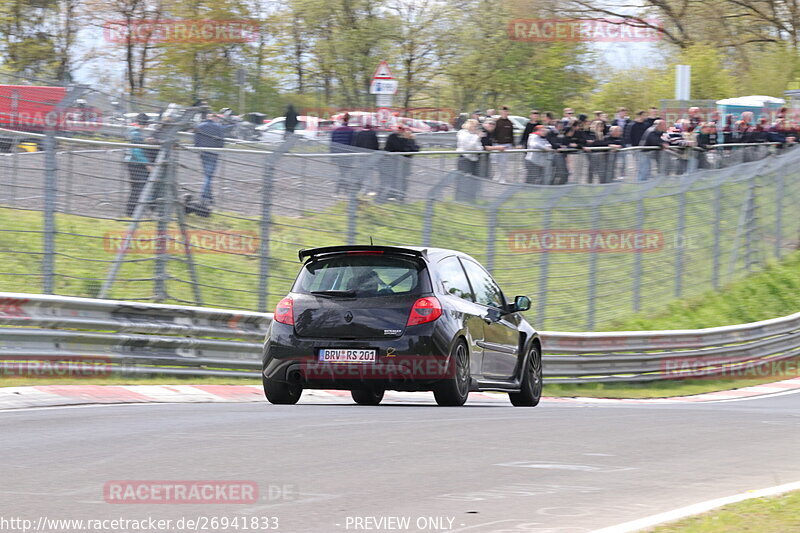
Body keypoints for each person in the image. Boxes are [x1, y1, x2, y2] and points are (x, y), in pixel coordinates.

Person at [194, 113, 226, 210]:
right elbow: (221, 141)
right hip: (213, 153)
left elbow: (196, 140)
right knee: (209, 176)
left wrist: (198, 149)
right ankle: (203, 197)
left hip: (203, 152)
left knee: (207, 175)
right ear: (215, 118)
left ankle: (209, 196)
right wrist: (219, 149)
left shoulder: (200, 126)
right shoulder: (218, 127)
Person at [381, 125, 419, 201]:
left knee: (402, 179)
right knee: (393, 179)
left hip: (404, 163)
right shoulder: (393, 137)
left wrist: (408, 140)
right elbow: (391, 148)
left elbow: (413, 150)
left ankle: (401, 195)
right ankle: (392, 194)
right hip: (394, 162)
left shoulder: (410, 138)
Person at [124, 118, 152, 217]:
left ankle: (132, 211)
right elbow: (137, 151)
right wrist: (147, 164)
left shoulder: (134, 132)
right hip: (135, 164)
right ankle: (132, 211)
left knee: (137, 188)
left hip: (132, 163)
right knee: (139, 187)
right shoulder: (136, 133)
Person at [331, 113, 356, 194]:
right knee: (344, 172)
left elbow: (332, 144)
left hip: (338, 154)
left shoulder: (335, 130)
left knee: (342, 172)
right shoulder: (351, 131)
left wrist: (332, 157)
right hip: (347, 155)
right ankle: (342, 190)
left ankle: (340, 190)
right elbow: (353, 144)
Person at [492, 106, 515, 181]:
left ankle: (503, 177)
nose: (504, 113)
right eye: (503, 111)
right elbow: (494, 132)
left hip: (506, 145)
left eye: (506, 111)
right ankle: (497, 174)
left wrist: (512, 144)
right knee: (496, 161)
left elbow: (511, 134)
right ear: (500, 112)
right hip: (497, 144)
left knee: (504, 162)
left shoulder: (510, 123)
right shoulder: (497, 122)